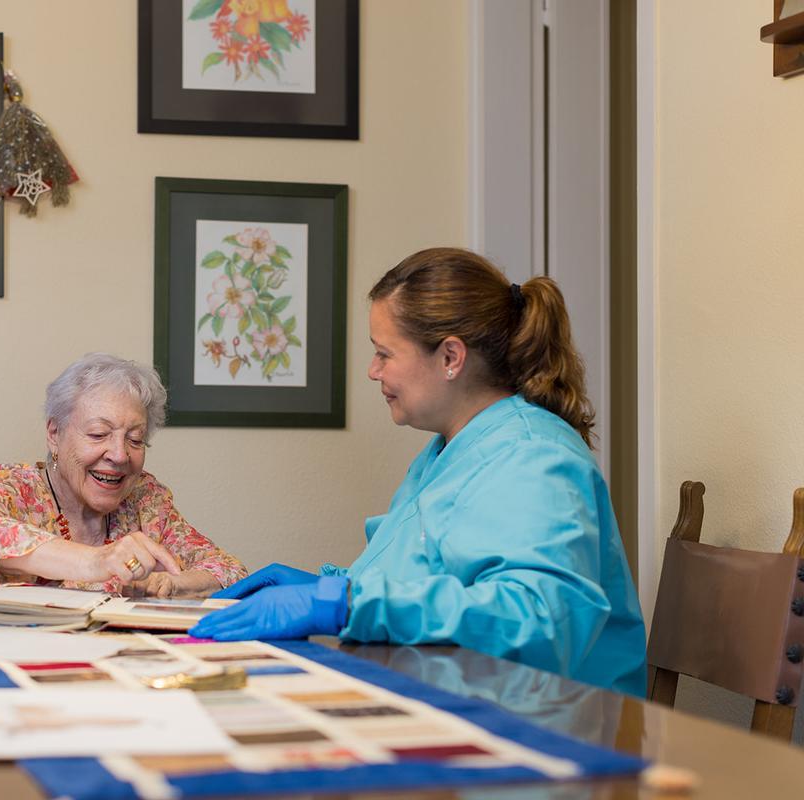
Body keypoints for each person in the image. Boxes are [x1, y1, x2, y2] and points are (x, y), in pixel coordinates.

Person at [190, 247, 647, 697]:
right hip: (462, 698)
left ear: (450, 357)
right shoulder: (445, 452)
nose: (372, 371)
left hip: (552, 728)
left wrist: (341, 604)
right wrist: (333, 588)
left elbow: (540, 620)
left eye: (384, 354)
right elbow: (413, 582)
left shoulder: (534, 455)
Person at [0, 353, 247, 597]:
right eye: (99, 434)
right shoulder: (17, 488)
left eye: (136, 439)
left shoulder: (146, 501)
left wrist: (174, 585)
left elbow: (231, 571)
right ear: (54, 433)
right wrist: (96, 560)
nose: (119, 455)